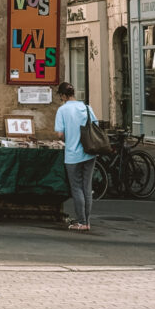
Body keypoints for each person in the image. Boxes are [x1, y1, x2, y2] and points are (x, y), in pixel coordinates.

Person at [54, 80, 97, 232]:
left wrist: (67, 137)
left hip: (72, 154)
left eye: (61, 96)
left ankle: (81, 222)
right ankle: (87, 221)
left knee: (77, 188)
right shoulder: (86, 107)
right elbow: (95, 126)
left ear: (64, 95)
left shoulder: (62, 110)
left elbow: (60, 134)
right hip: (89, 152)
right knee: (87, 187)